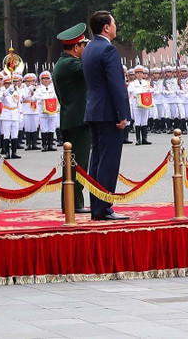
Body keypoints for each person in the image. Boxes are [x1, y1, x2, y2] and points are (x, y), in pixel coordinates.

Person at [82, 11, 132, 220]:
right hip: (109, 113)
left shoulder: (88, 49)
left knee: (97, 161)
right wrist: (123, 114)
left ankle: (96, 206)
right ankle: (104, 207)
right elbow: (116, 85)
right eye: (114, 24)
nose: (116, 27)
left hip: (94, 110)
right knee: (109, 161)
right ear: (106, 28)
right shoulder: (108, 50)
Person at [53, 23, 91, 215]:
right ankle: (74, 202)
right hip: (78, 121)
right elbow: (91, 66)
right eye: (84, 46)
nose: (86, 49)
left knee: (72, 163)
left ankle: (70, 201)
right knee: (79, 164)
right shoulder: (70, 64)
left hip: (72, 120)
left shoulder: (64, 63)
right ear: (76, 48)